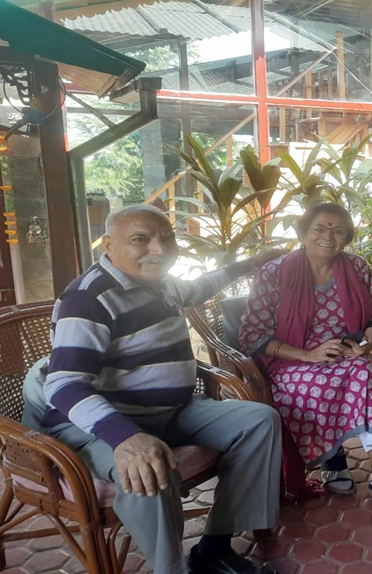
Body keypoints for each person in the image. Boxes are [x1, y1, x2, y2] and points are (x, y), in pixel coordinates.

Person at [22, 204, 285, 574]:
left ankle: (214, 549)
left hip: (170, 410)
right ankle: (170, 568)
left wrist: (251, 262)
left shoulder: (158, 282)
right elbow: (64, 385)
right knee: (150, 466)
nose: (159, 249)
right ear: (109, 245)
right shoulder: (89, 299)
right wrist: (126, 439)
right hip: (102, 423)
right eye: (140, 239)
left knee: (259, 421)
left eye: (167, 238)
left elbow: (199, 287)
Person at [237, 202, 372, 524]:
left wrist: (366, 342)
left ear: (347, 238)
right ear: (303, 232)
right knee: (322, 386)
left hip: (345, 354)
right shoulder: (275, 273)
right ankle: (334, 460)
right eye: (319, 228)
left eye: (338, 231)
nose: (328, 236)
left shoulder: (357, 267)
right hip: (291, 361)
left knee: (363, 374)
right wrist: (308, 355)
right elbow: (252, 334)